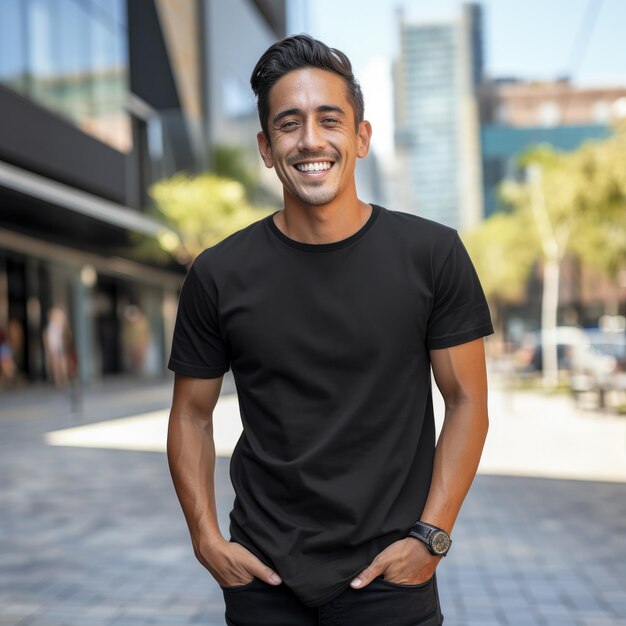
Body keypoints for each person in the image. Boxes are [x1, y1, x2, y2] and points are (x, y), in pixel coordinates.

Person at [167, 34, 493, 626]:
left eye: (330, 120)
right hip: (263, 581)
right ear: (267, 147)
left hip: (392, 578)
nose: (310, 140)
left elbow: (468, 399)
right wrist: (206, 540)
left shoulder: (432, 254)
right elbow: (191, 413)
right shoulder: (218, 274)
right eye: (289, 124)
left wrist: (432, 537)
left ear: (361, 137)